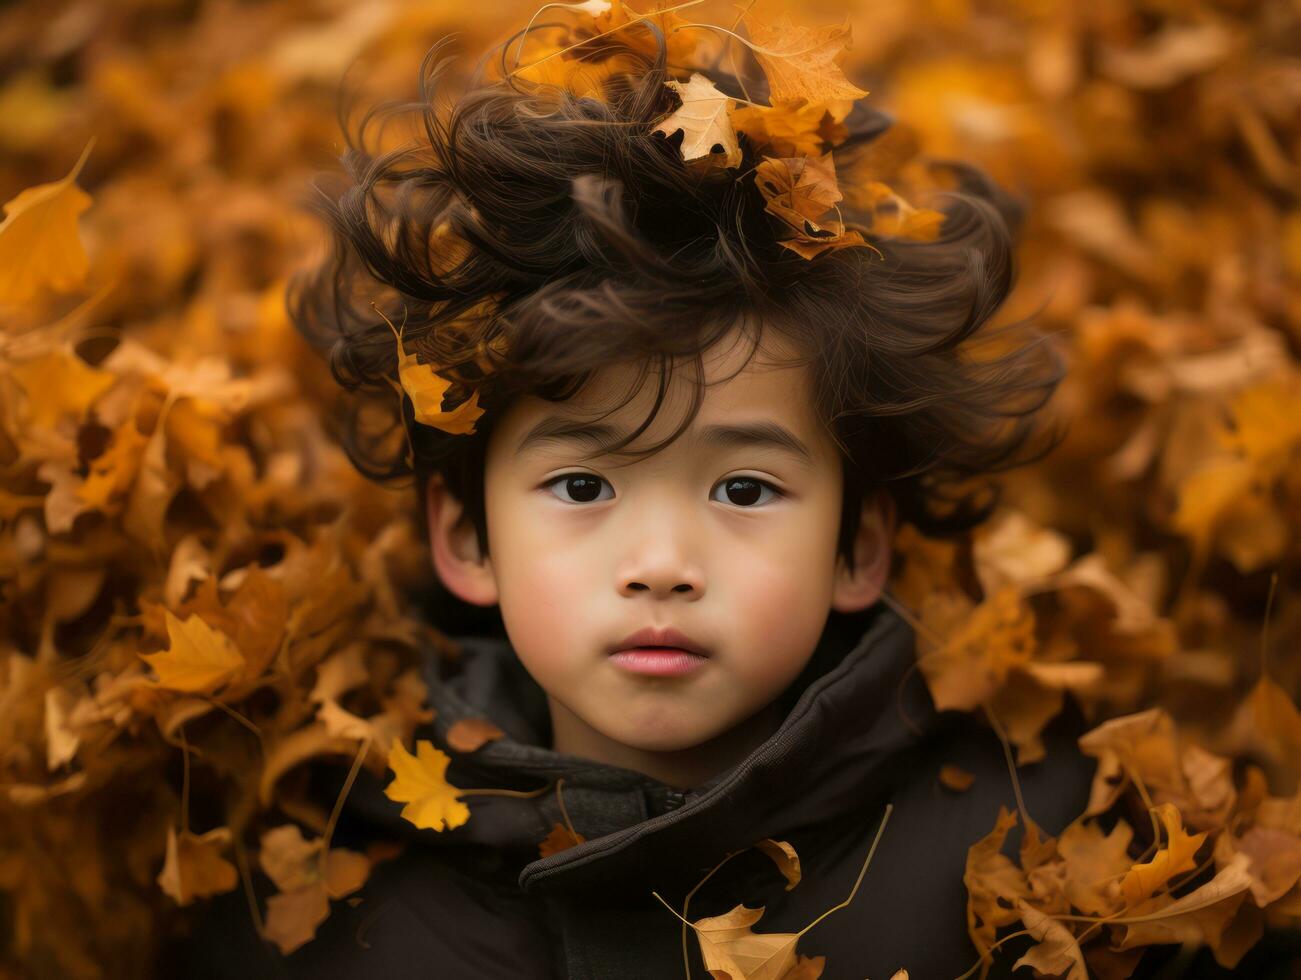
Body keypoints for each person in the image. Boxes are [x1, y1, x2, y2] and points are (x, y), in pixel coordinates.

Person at [166, 6, 1125, 978]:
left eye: (744, 489)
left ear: (855, 546)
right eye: (582, 483)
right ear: (466, 538)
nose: (661, 565)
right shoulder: (330, 911)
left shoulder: (1024, 843)